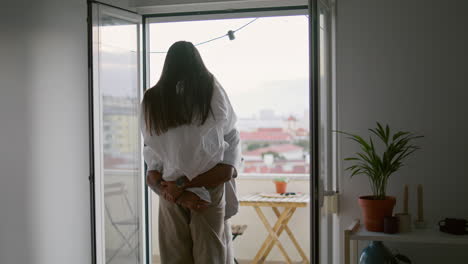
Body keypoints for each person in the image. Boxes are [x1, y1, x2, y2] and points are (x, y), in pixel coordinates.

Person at [141, 41, 241, 264]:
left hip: (169, 189)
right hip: (205, 186)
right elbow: (225, 165)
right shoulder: (212, 93)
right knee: (210, 256)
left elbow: (151, 156)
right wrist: (182, 188)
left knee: (174, 255)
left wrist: (173, 189)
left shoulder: (153, 99)